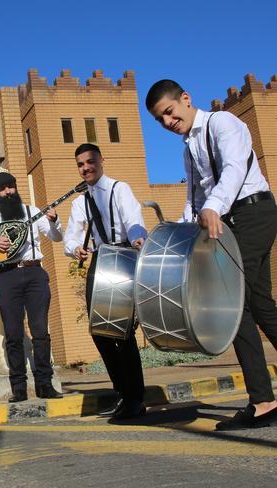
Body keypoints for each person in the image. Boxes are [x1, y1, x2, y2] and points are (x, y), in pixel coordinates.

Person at [146, 79, 277, 430]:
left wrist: (214, 207)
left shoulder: (222, 123)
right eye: (161, 120)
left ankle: (263, 401)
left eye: (170, 113)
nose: (168, 123)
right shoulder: (188, 149)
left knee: (236, 304)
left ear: (186, 100)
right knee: (260, 303)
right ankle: (264, 399)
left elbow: (234, 169)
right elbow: (195, 199)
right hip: (227, 222)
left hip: (253, 212)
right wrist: (179, 233)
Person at [0, 172, 63, 402]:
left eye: (11, 187)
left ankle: (45, 384)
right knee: (13, 334)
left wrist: (55, 221)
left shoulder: (32, 212)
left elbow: (56, 237)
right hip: (7, 275)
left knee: (40, 332)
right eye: (2, 189)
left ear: (16, 188)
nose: (8, 192)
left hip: (35, 272)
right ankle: (18, 388)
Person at [64, 143, 147, 420]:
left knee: (122, 331)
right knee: (99, 330)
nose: (85, 167)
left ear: (101, 161)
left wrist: (137, 236)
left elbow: (133, 218)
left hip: (123, 254)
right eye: (79, 164)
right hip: (100, 259)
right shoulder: (80, 201)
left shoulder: (118, 189)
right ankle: (122, 392)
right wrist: (76, 248)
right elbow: (71, 237)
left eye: (90, 162)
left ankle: (135, 397)